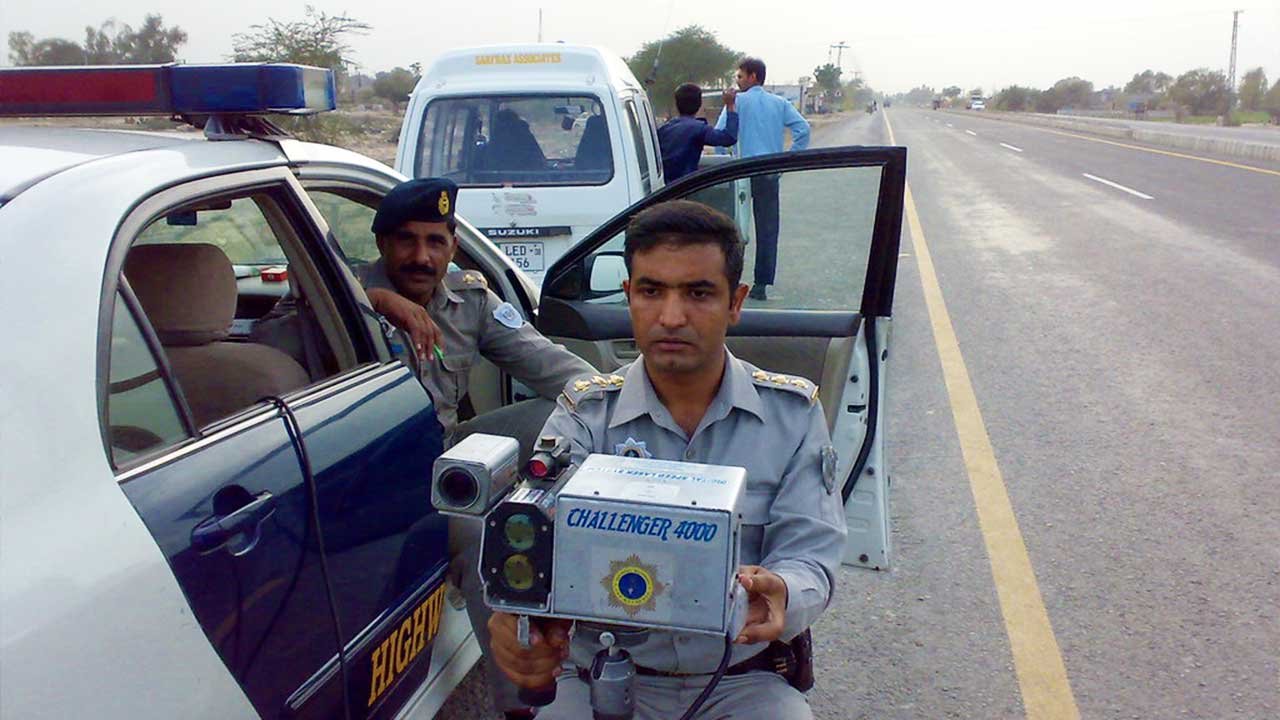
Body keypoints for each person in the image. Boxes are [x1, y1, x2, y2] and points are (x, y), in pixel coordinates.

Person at [487, 200, 847, 719]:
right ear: (629, 294)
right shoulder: (585, 416)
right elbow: (533, 548)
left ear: (735, 302)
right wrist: (520, 625)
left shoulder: (791, 416)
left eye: (698, 293)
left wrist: (783, 592)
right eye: (652, 291)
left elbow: (810, 553)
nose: (671, 317)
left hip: (739, 680)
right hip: (598, 676)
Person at [361, 177, 594, 720]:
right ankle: (522, 706)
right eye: (406, 240)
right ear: (382, 243)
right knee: (484, 533)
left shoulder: (468, 299)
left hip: (446, 453)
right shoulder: (344, 297)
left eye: (435, 242)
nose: (421, 257)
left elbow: (557, 370)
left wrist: (625, 401)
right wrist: (375, 301)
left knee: (569, 411)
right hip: (383, 480)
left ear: (453, 246)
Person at [715, 57, 811, 301]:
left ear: (753, 76)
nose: (737, 81)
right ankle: (761, 284)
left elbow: (720, 137)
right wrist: (788, 159)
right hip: (769, 171)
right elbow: (803, 130)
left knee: (733, 227)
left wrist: (724, 163)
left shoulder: (735, 103)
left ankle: (729, 280)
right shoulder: (779, 103)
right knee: (767, 228)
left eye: (740, 76)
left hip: (740, 172)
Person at [657, 83, 739, 181]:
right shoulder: (699, 129)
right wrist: (730, 105)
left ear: (676, 104)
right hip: (685, 186)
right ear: (700, 104)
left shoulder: (664, 129)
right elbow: (729, 137)